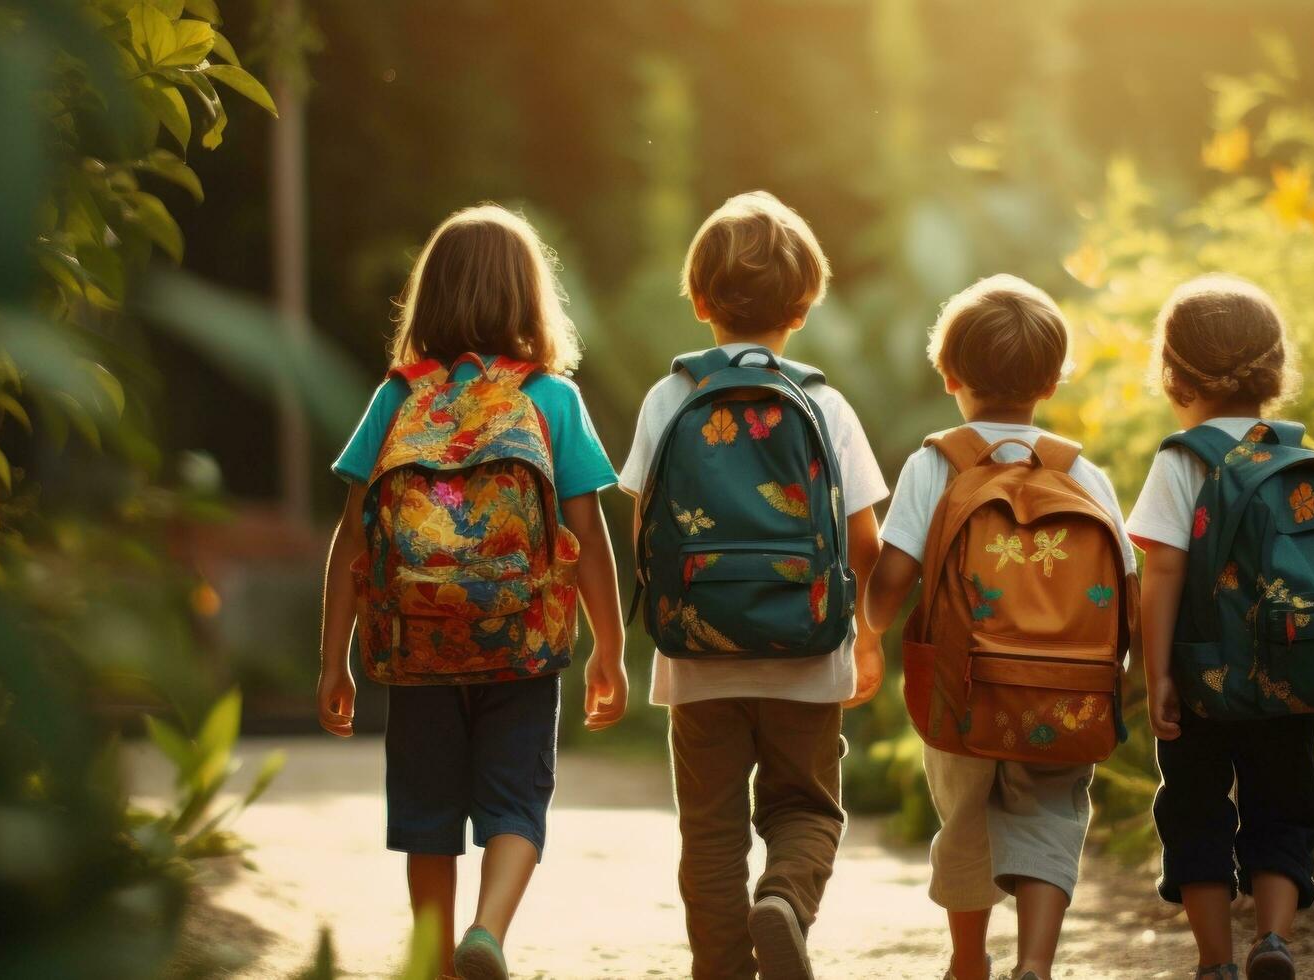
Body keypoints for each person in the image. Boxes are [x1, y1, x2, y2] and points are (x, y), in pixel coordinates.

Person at [316, 204, 630, 980]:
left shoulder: (399, 397)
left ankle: (431, 954)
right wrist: (611, 649)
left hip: (415, 644)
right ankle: (486, 934)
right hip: (521, 646)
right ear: (530, 299)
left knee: (427, 815)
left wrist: (335, 661)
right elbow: (587, 535)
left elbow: (352, 537)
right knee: (516, 804)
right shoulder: (550, 399)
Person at [617, 191, 888, 980]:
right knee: (806, 808)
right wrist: (866, 639)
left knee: (708, 835)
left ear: (699, 300)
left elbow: (644, 537)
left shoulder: (669, 400)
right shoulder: (825, 404)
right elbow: (864, 546)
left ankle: (722, 970)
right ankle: (785, 900)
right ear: (802, 308)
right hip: (808, 655)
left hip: (696, 661)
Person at [863, 275, 1135, 980]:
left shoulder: (937, 464)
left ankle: (966, 962)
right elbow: (1130, 588)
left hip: (962, 689)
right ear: (1050, 381)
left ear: (949, 374)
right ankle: (1037, 964)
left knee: (966, 821)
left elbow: (892, 579)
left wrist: (871, 622)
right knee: (1052, 812)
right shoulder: (1084, 475)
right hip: (1068, 689)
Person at [1128, 274, 1313, 980]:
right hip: (1289, 673)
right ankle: (1275, 939)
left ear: (1174, 377)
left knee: (1196, 810)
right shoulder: (1298, 455)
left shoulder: (1184, 459)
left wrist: (1157, 674)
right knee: (1284, 806)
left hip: (1203, 679)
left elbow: (1163, 573)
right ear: (1273, 371)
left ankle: (1215, 962)